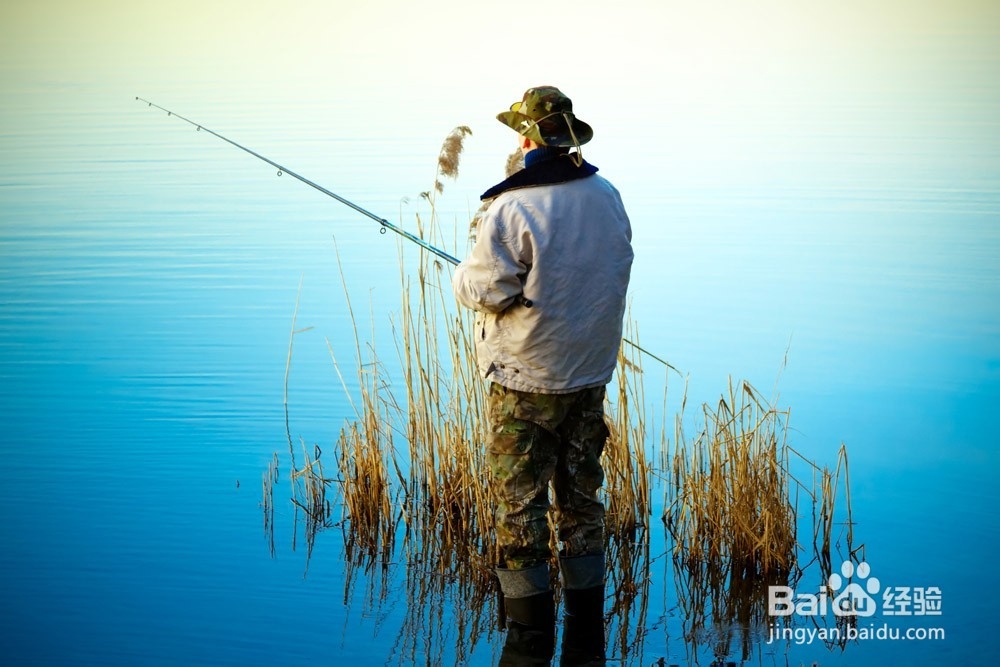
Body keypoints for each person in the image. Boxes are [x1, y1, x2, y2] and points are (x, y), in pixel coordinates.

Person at [452, 86, 633, 663]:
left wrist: (462, 276)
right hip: (588, 374)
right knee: (582, 497)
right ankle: (585, 620)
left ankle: (527, 635)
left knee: (519, 503)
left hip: (524, 379)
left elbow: (486, 289)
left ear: (528, 139)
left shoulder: (513, 208)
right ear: (570, 137)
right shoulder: (607, 195)